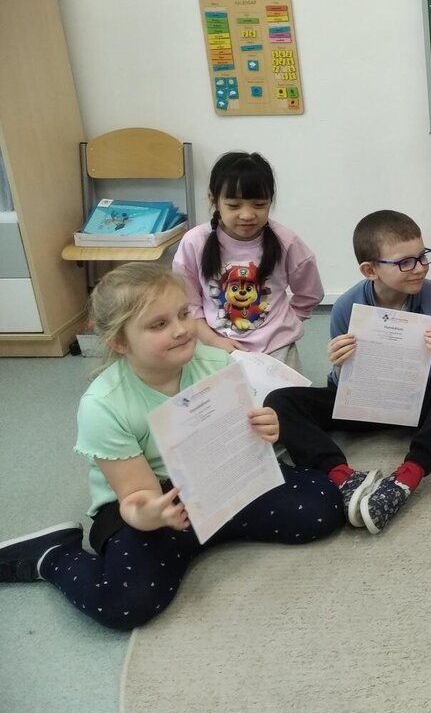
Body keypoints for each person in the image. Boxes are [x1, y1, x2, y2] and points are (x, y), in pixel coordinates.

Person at [0, 264, 340, 629]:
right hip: (155, 501)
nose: (181, 330)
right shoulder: (104, 405)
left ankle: (210, 533)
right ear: (120, 342)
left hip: (221, 478)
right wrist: (150, 516)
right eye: (159, 324)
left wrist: (267, 426)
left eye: (183, 314)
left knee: (323, 507)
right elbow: (136, 495)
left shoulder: (217, 362)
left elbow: (243, 434)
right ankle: (54, 555)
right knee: (125, 603)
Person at [266, 211, 431, 534]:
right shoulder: (346, 306)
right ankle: (341, 476)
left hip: (415, 403)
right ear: (370, 270)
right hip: (363, 404)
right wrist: (339, 367)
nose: (420, 267)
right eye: (405, 262)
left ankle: (409, 475)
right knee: (280, 401)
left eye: (423, 256)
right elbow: (340, 386)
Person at [173, 151, 322, 371]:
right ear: (214, 200)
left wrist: (287, 323)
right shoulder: (195, 242)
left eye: (259, 204)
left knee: (284, 395)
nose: (247, 215)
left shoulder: (287, 242)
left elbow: (310, 293)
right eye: (234, 205)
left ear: (270, 200)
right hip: (214, 346)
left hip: (277, 348)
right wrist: (213, 340)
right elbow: (187, 303)